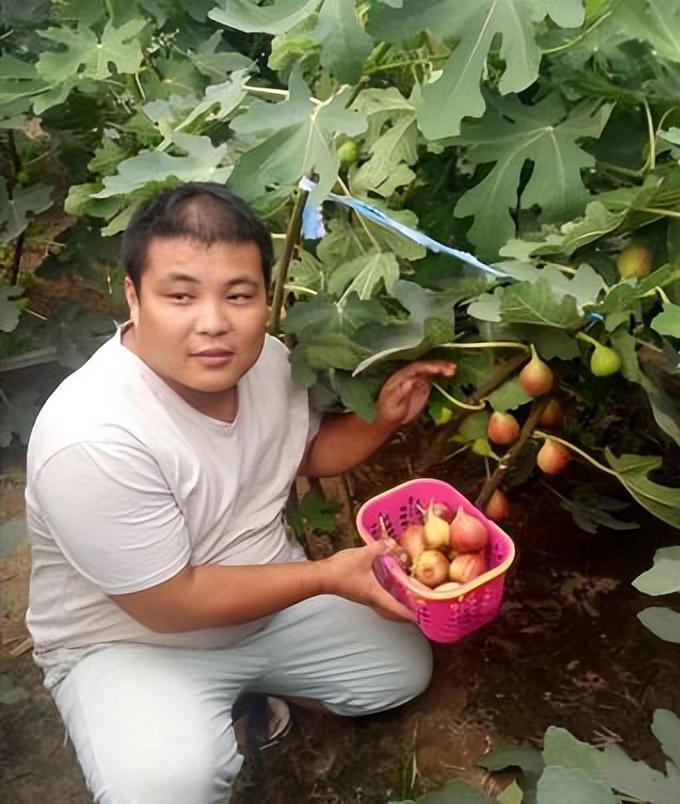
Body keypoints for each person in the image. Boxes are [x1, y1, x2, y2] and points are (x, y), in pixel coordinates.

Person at [24, 182, 456, 803]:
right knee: (167, 788)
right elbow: (170, 604)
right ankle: (151, 720)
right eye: (180, 295)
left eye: (239, 295)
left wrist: (382, 420)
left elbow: (301, 451)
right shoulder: (91, 438)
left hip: (266, 601)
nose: (214, 324)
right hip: (133, 641)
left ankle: (244, 693)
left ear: (264, 297)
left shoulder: (267, 362)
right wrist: (328, 576)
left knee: (398, 671)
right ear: (132, 296)